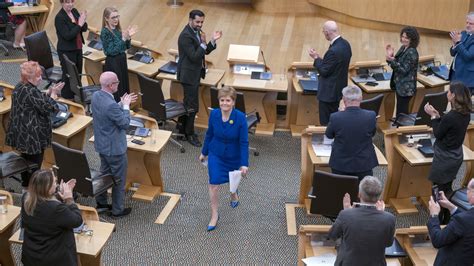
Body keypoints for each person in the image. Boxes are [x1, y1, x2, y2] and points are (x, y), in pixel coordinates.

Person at [6, 61, 64, 191]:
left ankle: (25, 188)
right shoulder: (31, 91)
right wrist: (54, 96)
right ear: (29, 78)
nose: (41, 78)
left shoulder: (20, 86)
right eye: (38, 76)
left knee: (25, 162)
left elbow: (36, 99)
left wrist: (48, 93)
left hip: (22, 134)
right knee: (34, 166)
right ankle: (33, 194)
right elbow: (49, 108)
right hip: (32, 137)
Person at [199, 86, 249, 231]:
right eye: (222, 100)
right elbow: (209, 134)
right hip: (216, 154)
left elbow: (244, 142)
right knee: (213, 183)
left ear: (233, 102)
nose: (225, 103)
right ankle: (214, 214)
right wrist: (204, 152)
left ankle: (233, 193)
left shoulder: (240, 118)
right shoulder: (214, 114)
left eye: (228, 100)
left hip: (234, 155)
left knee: (233, 180)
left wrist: (244, 163)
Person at [424, 81, 471, 223]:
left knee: (438, 191)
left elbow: (438, 133)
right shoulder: (465, 113)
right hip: (455, 155)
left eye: (449, 92)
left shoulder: (451, 116)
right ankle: (447, 216)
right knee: (447, 187)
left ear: (454, 96)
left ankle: (439, 221)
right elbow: (447, 128)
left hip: (444, 158)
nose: (447, 94)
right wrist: (439, 117)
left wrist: (432, 116)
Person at [91, 71, 137, 217]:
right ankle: (117, 210)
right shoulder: (110, 105)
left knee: (104, 174)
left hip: (102, 145)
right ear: (111, 85)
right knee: (119, 180)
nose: (118, 83)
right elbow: (125, 124)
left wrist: (121, 104)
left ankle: (102, 203)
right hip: (115, 149)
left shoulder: (96, 95)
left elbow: (108, 111)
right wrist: (126, 107)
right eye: (116, 82)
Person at [177, 9, 222, 147]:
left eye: (202, 22)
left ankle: (181, 128)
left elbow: (204, 51)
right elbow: (195, 56)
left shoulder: (197, 32)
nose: (200, 24)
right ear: (190, 20)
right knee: (192, 106)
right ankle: (190, 134)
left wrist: (212, 40)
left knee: (188, 103)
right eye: (197, 22)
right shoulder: (185, 36)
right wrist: (203, 43)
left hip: (194, 73)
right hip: (188, 75)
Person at [328, 176, 396, 266]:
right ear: (379, 196)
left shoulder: (345, 215)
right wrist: (381, 214)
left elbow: (332, 236)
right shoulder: (389, 218)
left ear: (359, 194)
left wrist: (347, 212)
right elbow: (388, 243)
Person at [21, 169, 83, 266]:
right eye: (55, 182)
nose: (56, 184)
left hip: (32, 256)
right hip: (53, 259)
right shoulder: (56, 209)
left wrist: (59, 195)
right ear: (47, 187)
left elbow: (44, 203)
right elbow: (77, 220)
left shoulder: (26, 199)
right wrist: (69, 198)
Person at [325, 85, 377, 181]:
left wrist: (340, 112)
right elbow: (372, 133)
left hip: (341, 165)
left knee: (341, 192)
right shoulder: (371, 115)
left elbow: (328, 135)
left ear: (344, 100)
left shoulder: (335, 117)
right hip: (364, 164)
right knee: (363, 194)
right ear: (361, 98)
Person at [308, 20, 352, 126]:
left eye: (324, 32)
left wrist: (316, 58)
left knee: (326, 123)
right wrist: (320, 58)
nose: (324, 34)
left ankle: (327, 141)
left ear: (327, 32)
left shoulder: (333, 51)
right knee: (334, 121)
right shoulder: (346, 44)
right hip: (338, 90)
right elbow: (333, 65)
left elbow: (324, 71)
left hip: (328, 94)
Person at [427, 178, 474, 266]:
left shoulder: (461, 221)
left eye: (468, 189)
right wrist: (451, 207)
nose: (467, 192)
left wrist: (434, 215)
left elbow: (438, 240)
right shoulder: (465, 219)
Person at [101, 7, 137, 102]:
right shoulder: (105, 32)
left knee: (123, 85)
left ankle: (125, 106)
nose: (116, 19)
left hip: (121, 61)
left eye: (117, 16)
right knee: (117, 88)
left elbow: (125, 47)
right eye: (113, 17)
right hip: (113, 63)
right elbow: (111, 51)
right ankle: (119, 108)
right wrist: (123, 39)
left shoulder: (117, 30)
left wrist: (128, 37)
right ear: (106, 18)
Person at [55, 0, 88, 99]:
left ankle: (76, 96)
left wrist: (83, 20)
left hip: (78, 48)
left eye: (71, 1)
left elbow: (84, 28)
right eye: (67, 2)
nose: (70, 4)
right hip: (66, 51)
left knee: (77, 75)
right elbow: (68, 36)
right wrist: (79, 24)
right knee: (69, 76)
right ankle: (67, 99)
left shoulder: (74, 11)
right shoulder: (59, 18)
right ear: (62, 3)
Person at [386, 26, 419, 118]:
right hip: (400, 86)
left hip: (405, 89)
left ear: (412, 39)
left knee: (402, 114)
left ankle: (401, 131)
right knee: (400, 112)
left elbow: (403, 70)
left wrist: (391, 60)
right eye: (403, 36)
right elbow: (397, 63)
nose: (403, 39)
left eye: (406, 38)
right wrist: (390, 57)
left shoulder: (412, 52)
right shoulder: (403, 48)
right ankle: (399, 128)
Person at [449, 12, 474, 93]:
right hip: (455, 75)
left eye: (471, 23)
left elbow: (468, 56)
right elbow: (452, 53)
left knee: (462, 104)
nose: (467, 25)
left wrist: (458, 43)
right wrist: (454, 44)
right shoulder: (463, 33)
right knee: (452, 101)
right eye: (467, 22)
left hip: (466, 79)